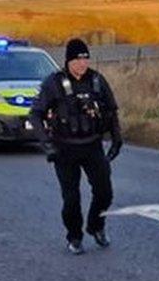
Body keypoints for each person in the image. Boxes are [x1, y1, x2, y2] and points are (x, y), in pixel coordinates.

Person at [28, 38, 123, 255]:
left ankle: (96, 226)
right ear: (68, 61)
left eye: (85, 58)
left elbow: (111, 111)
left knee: (104, 192)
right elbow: (35, 114)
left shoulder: (97, 81)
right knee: (71, 198)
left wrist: (117, 140)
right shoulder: (54, 83)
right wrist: (47, 146)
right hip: (64, 148)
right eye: (77, 59)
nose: (82, 63)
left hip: (92, 145)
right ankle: (75, 237)